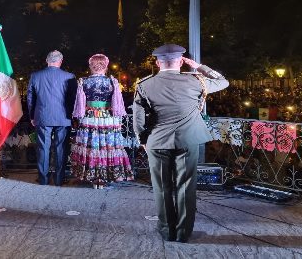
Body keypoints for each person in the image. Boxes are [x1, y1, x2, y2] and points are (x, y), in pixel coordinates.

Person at [132, 44, 228, 243]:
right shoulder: (196, 81)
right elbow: (223, 81)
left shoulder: (144, 84)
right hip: (188, 140)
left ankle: (167, 230)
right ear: (181, 61)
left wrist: (142, 140)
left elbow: (138, 118)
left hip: (157, 141)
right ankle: (183, 232)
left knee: (162, 187)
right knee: (185, 186)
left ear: (158, 62)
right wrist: (199, 66)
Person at [70, 54, 134, 189]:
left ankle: (92, 177)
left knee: (92, 146)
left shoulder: (83, 81)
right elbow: (117, 104)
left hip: (89, 118)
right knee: (107, 146)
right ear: (106, 66)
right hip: (108, 118)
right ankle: (105, 177)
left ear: (91, 66)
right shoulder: (112, 81)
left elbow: (80, 105)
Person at [27, 50, 76, 186]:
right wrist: (72, 115)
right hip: (63, 117)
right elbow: (73, 99)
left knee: (43, 148)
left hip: (43, 116)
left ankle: (43, 179)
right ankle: (59, 179)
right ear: (60, 61)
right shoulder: (70, 77)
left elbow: (31, 98)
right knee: (61, 148)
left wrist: (32, 116)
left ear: (47, 60)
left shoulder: (35, 76)